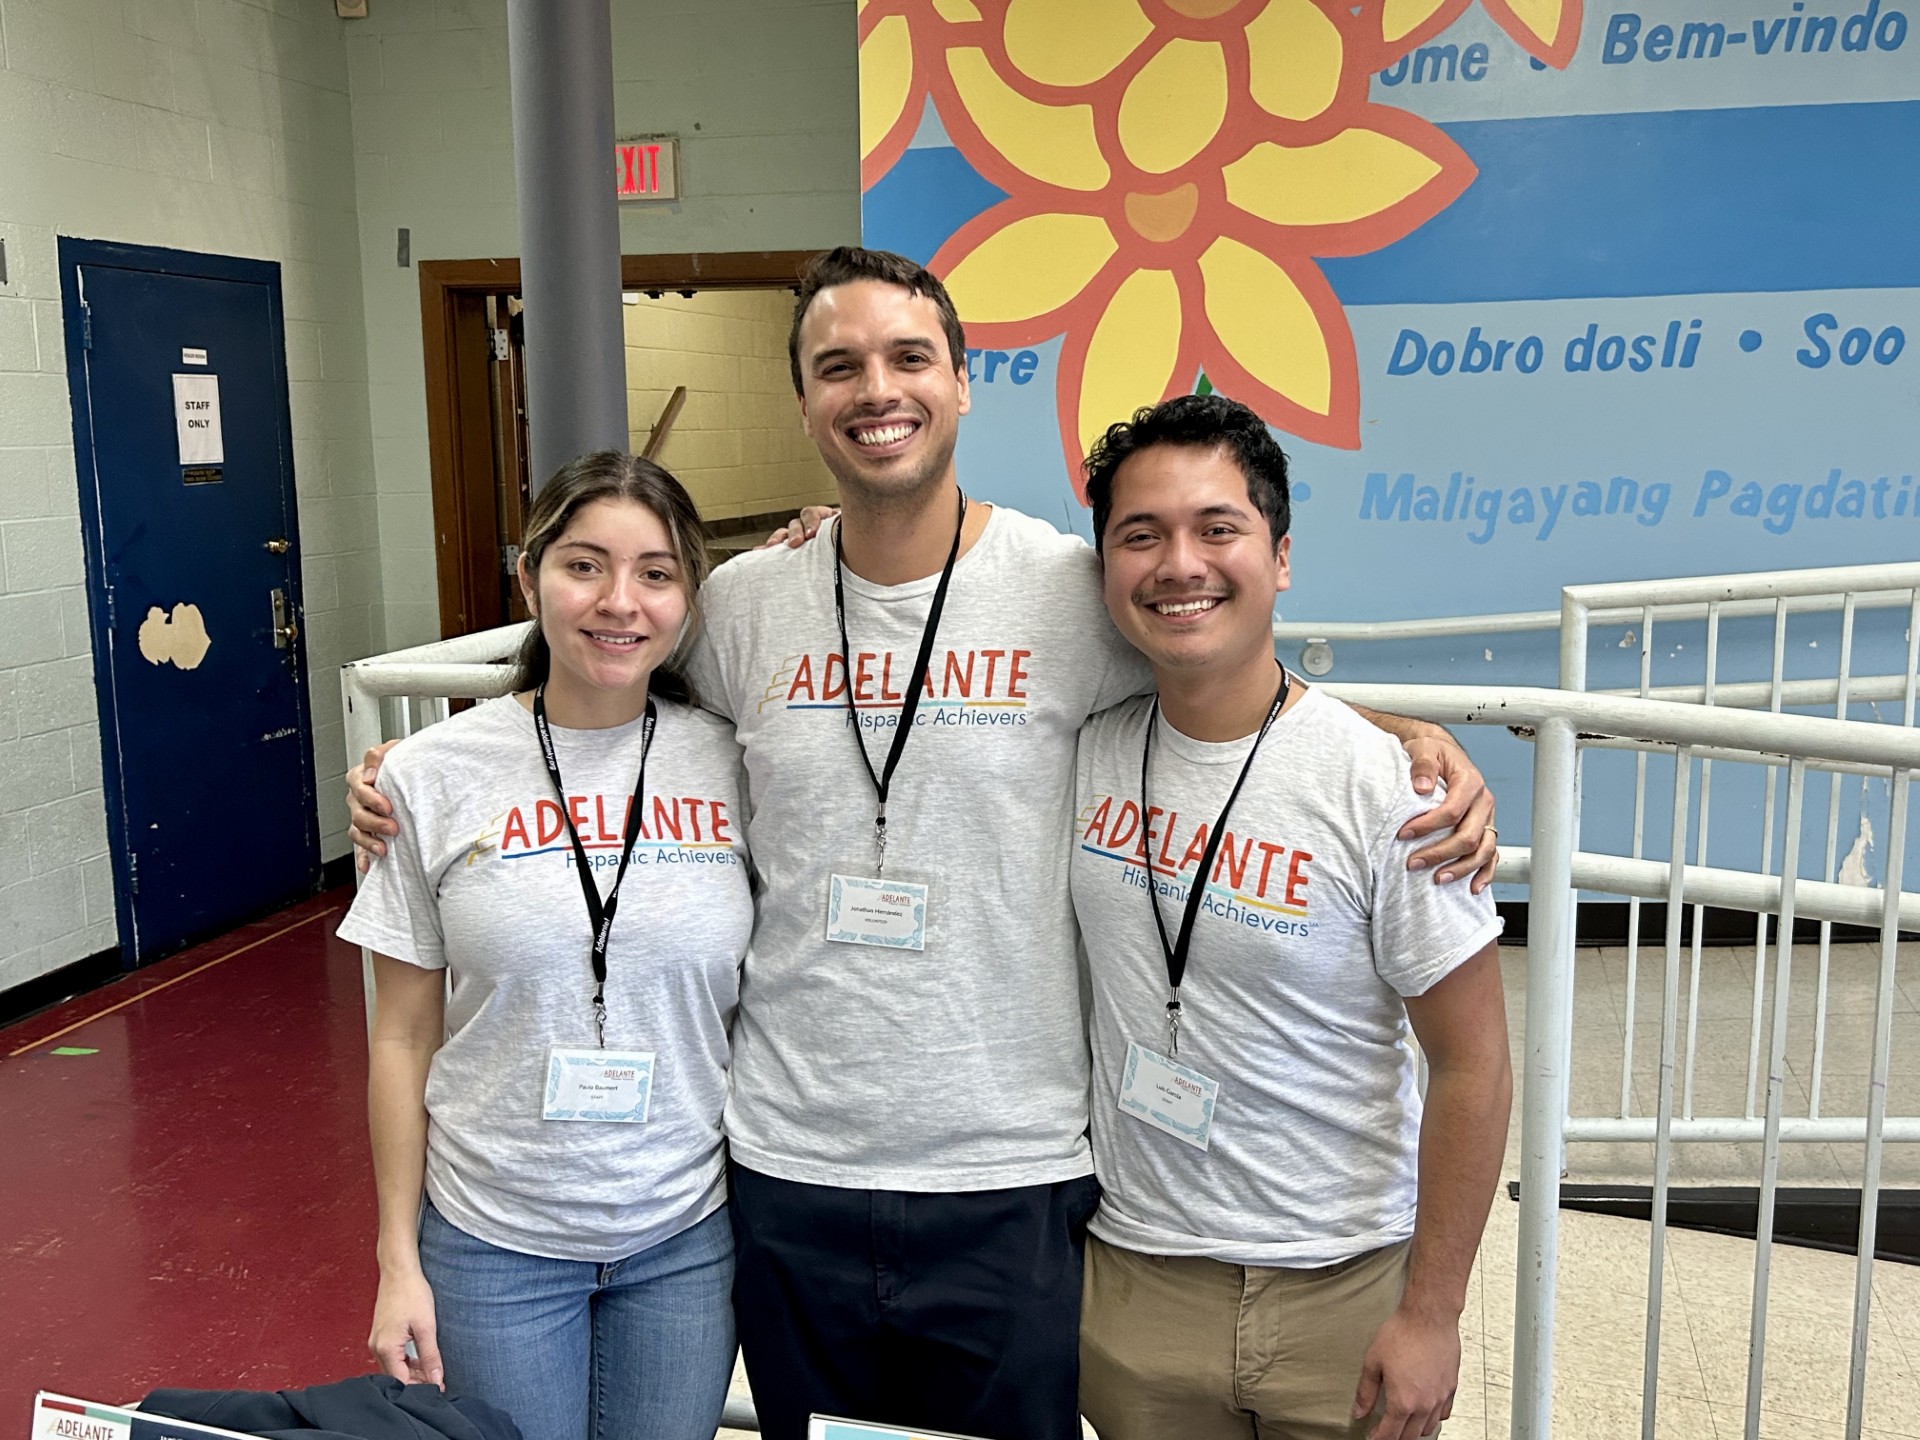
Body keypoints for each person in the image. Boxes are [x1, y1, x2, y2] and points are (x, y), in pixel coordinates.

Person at [348, 248, 1497, 1440]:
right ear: (804, 404)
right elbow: (597, 667)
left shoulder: (1066, 584)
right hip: (789, 1159)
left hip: (1012, 1166)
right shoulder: (745, 602)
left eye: (908, 358)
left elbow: (1217, 658)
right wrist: (423, 767)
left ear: (962, 381)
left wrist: (1396, 736)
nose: (875, 390)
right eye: (837, 366)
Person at [1070, 394, 1511, 1440]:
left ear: (1280, 557)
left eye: (1218, 529)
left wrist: (1434, 1314)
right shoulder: (1083, 745)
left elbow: (1475, 1063)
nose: (1181, 563)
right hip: (1136, 1281)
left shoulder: (1390, 789)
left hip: (1344, 1291)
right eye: (1142, 534)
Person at [337, 453, 751, 1440]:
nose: (620, 602)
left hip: (684, 1234)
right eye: (584, 566)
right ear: (529, 577)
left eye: (656, 573)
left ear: (689, 594)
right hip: (493, 1241)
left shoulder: (738, 755)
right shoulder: (429, 777)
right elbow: (400, 1036)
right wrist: (399, 1257)